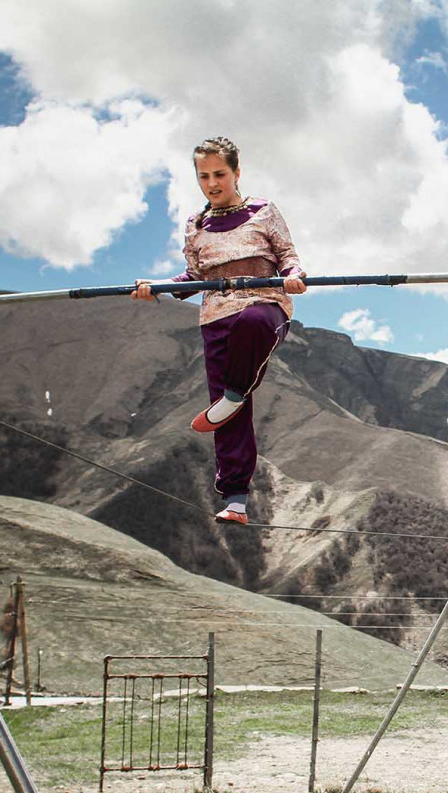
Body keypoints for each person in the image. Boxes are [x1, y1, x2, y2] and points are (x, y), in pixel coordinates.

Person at [133, 137, 306, 524]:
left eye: (220, 174)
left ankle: (233, 394)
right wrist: (157, 288)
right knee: (230, 415)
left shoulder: (264, 211)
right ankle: (236, 501)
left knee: (252, 325)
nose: (212, 183)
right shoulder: (196, 226)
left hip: (265, 306)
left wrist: (294, 276)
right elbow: (194, 278)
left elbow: (288, 258)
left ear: (236, 173)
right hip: (215, 319)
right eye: (204, 176)